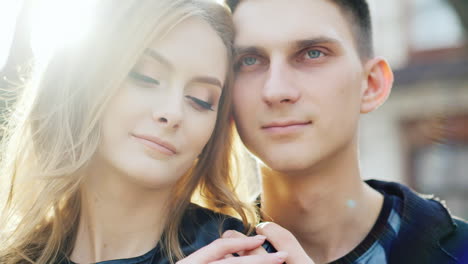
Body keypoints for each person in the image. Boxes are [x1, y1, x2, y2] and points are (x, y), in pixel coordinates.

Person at [0, 1, 286, 263]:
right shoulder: (17, 254)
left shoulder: (240, 254)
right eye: (146, 77)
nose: (173, 113)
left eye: (200, 100)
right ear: (84, 82)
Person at [216, 0, 468, 263]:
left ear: (370, 84)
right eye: (249, 61)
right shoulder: (190, 251)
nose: (276, 91)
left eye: (313, 53)